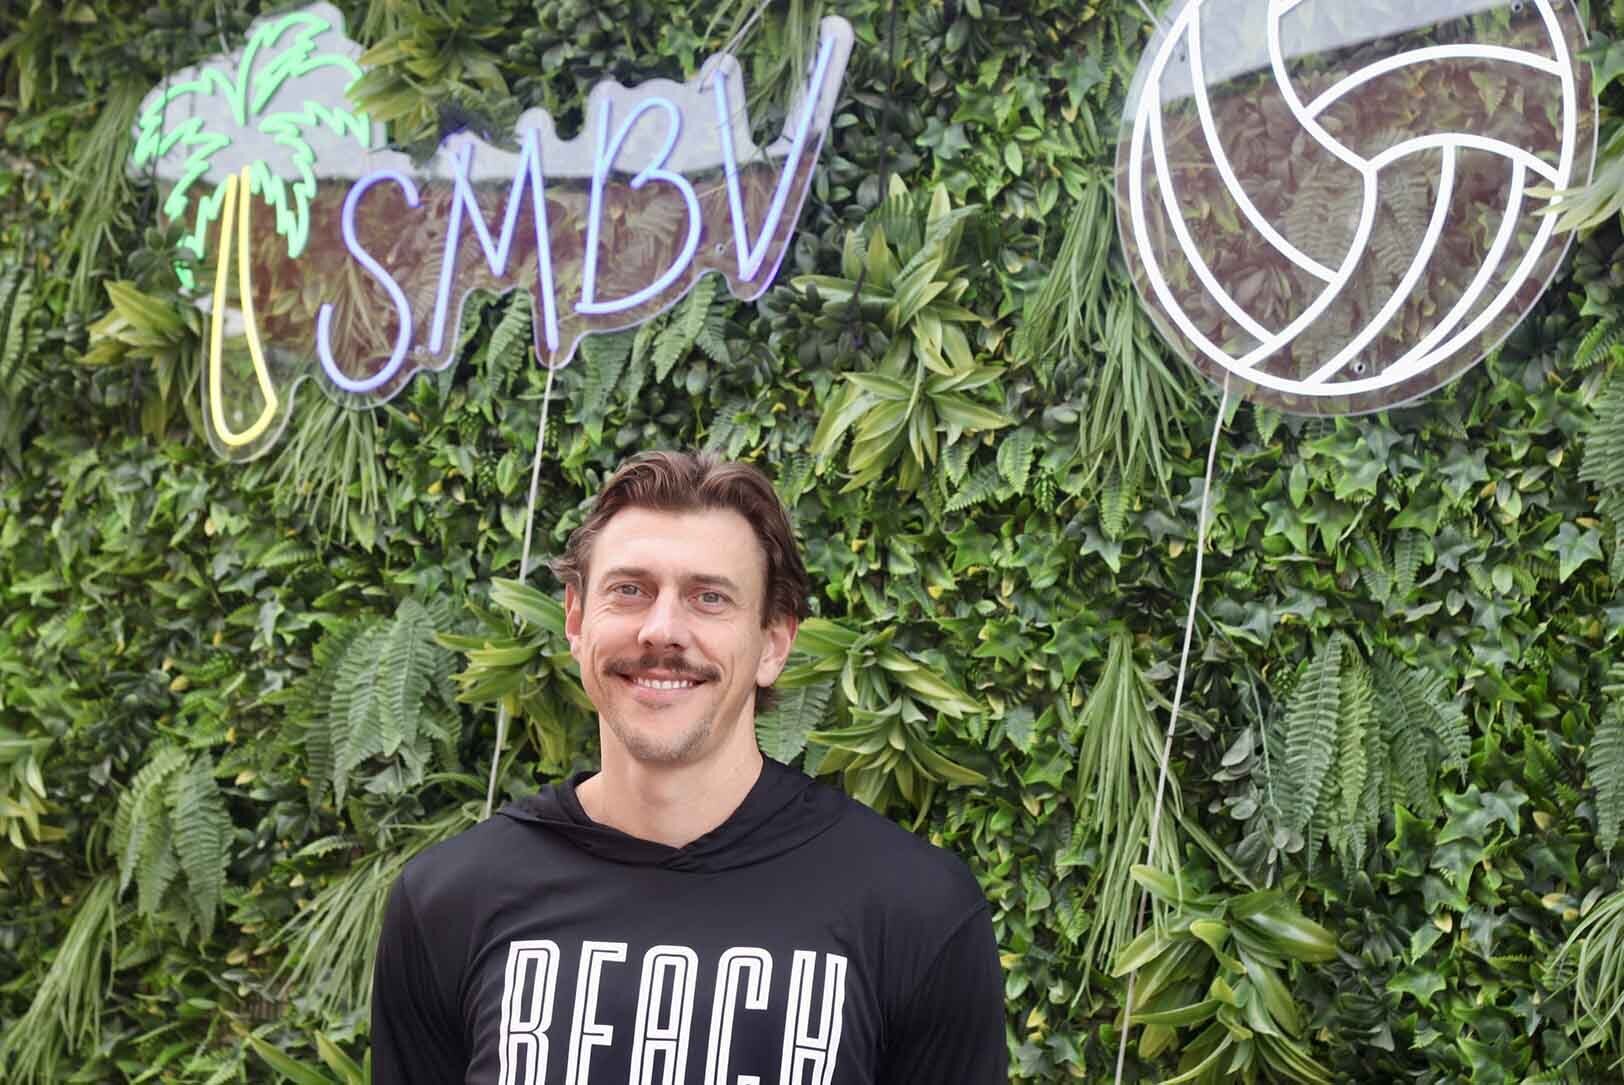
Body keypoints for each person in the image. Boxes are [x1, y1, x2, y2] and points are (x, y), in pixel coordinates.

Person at [370, 449, 1007, 1084]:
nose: (661, 630)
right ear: (574, 619)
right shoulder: (447, 900)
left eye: (709, 597)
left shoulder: (913, 909)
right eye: (629, 591)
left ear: (772, 646)